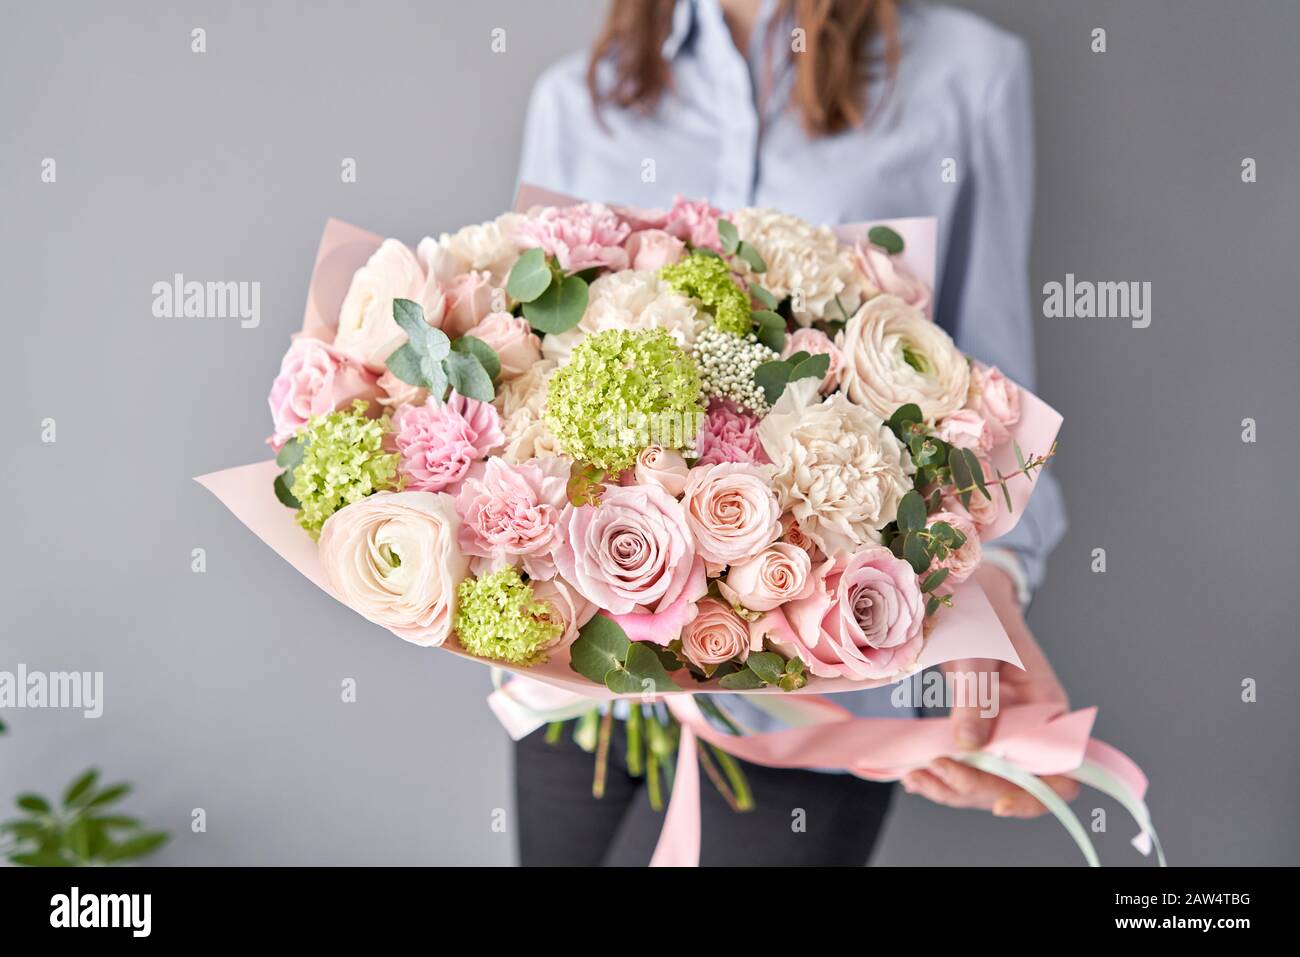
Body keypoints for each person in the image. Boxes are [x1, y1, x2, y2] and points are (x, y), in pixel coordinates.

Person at [513, 0, 1072, 866]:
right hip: (582, 671)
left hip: (813, 682)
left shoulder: (969, 76)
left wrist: (991, 585)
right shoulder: (583, 97)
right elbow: (526, 364)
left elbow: (990, 388)